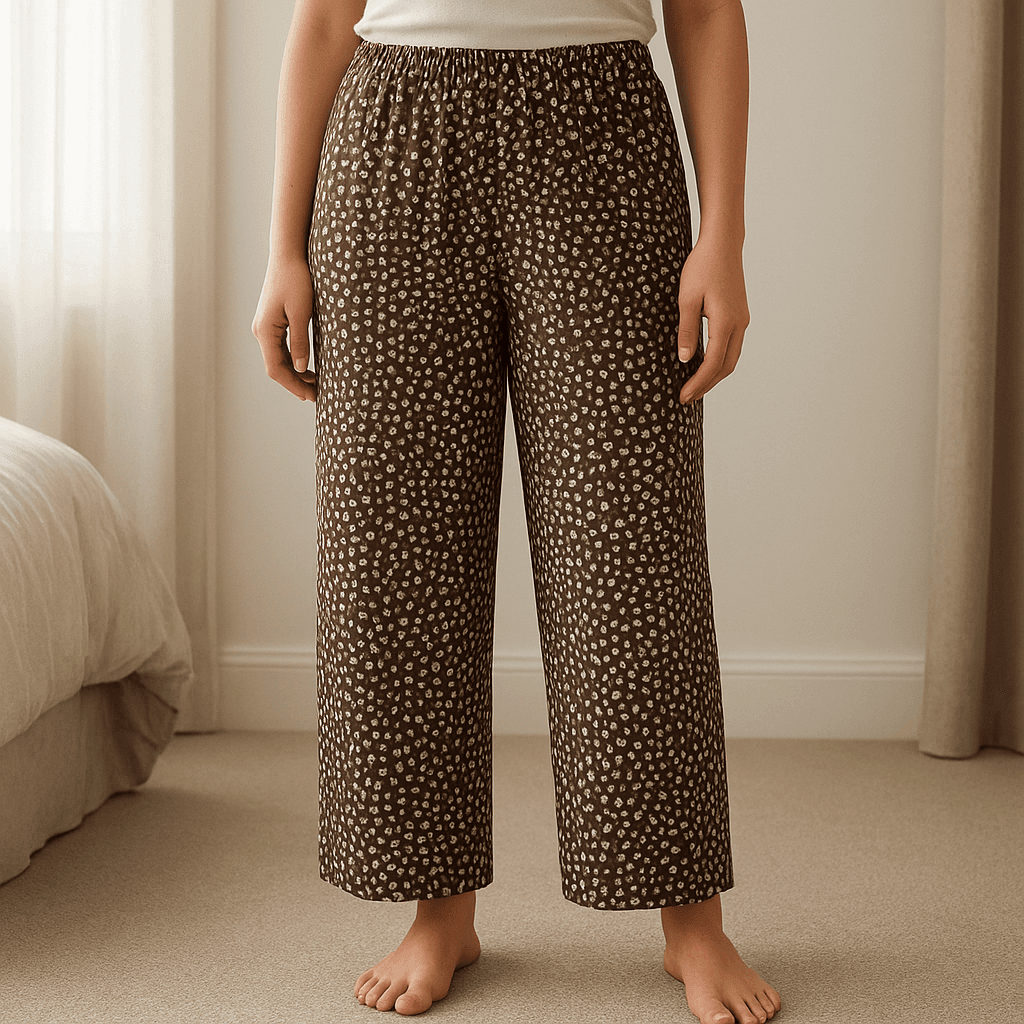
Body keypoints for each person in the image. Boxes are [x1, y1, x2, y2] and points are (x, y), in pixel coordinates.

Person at [252, 2, 780, 1022]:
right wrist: (283, 244)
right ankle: (438, 909)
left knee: (630, 548)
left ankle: (691, 920)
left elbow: (706, 11)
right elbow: (324, 18)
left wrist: (725, 233)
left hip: (602, 139)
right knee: (394, 544)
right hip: (391, 137)